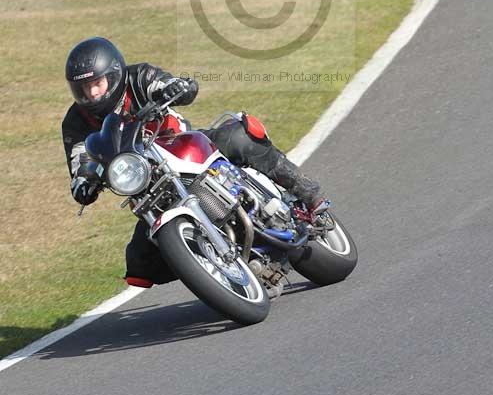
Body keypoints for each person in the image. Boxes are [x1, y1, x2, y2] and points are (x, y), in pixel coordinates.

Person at [62, 37, 327, 287]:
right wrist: (84, 182)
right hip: (144, 184)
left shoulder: (139, 77)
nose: (92, 93)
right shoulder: (75, 122)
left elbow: (165, 84)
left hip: (182, 144)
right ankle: (214, 267)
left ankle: (307, 193)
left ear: (114, 75)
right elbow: (79, 163)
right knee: (139, 265)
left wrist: (176, 87)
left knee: (239, 137)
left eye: (97, 83)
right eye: (85, 88)